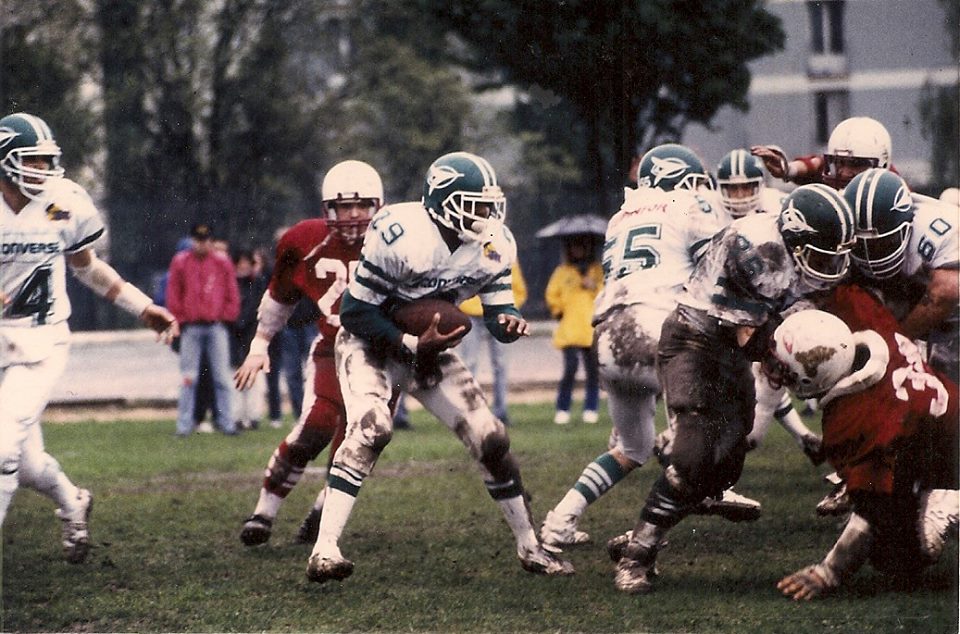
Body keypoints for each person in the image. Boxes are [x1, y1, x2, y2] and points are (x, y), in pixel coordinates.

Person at [306, 151, 573, 583]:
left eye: (489, 205)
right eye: (475, 205)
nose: (486, 215)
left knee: (491, 437)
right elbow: (354, 312)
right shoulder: (400, 233)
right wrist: (408, 342)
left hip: (430, 347)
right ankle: (325, 549)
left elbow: (497, 311)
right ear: (442, 202)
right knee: (372, 429)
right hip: (371, 341)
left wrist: (508, 322)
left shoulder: (494, 245)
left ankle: (530, 545)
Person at [606, 183, 856, 594]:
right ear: (794, 241)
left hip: (734, 349)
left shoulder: (803, 256)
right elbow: (747, 334)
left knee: (726, 464)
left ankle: (643, 534)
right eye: (820, 254)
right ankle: (638, 555)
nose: (830, 263)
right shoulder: (756, 248)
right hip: (695, 341)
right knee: (694, 454)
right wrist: (791, 365)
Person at [0, 111, 178, 562]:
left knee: (0, 448)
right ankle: (72, 500)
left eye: (46, 160)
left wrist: (141, 305)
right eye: (32, 160)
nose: (43, 170)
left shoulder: (65, 201)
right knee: (25, 464)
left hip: (40, 342)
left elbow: (87, 267)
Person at [540, 143, 725, 547]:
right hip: (652, 332)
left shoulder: (622, 216)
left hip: (606, 337)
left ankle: (559, 522)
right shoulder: (689, 207)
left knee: (631, 447)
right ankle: (703, 491)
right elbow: (715, 272)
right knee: (718, 399)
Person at [764, 297, 958, 600]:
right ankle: (927, 489)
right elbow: (845, 292)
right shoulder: (863, 314)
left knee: (897, 557)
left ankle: (948, 499)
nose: (775, 372)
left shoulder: (855, 421)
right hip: (940, 430)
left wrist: (828, 572)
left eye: (785, 369)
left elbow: (871, 511)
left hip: (950, 457)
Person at [236, 160, 383, 547]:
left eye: (363, 205)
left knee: (361, 440)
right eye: (345, 206)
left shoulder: (395, 242)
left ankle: (323, 512)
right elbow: (280, 297)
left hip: (384, 356)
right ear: (328, 209)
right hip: (335, 348)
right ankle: (264, 512)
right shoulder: (305, 240)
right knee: (316, 424)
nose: (354, 215)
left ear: (378, 205)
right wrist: (259, 345)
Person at [166, 222, 240, 436]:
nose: (202, 244)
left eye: (205, 240)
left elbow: (231, 291)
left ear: (211, 241)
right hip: (191, 326)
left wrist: (226, 316)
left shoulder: (222, 262)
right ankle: (184, 425)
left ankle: (227, 422)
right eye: (198, 240)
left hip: (216, 325)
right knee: (189, 378)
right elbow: (174, 293)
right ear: (192, 241)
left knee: (222, 377)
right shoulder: (181, 262)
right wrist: (180, 318)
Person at [458, 262, 528, 425]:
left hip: (499, 314)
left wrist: (508, 309)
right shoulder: (468, 254)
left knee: (501, 363)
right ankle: (470, 411)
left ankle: (500, 411)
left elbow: (518, 289)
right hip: (470, 313)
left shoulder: (504, 254)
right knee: (469, 363)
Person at [544, 233, 604, 424]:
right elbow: (552, 295)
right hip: (570, 329)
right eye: (574, 247)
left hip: (590, 329)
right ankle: (563, 408)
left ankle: (591, 408)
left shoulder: (596, 271)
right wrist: (558, 310)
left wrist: (593, 286)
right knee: (570, 369)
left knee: (593, 371)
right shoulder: (562, 272)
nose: (577, 251)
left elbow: (605, 293)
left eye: (581, 247)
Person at [751, 116, 894, 190]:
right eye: (840, 162)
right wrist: (788, 168)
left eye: (856, 164)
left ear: (882, 165)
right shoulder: (832, 177)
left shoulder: (895, 191)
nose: (844, 172)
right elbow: (816, 165)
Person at [231, 248, 269, 431]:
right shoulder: (231, 283)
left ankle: (253, 415)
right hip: (234, 333)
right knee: (235, 374)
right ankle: (237, 415)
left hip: (252, 333)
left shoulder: (258, 283)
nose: (243, 266)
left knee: (255, 376)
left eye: (246, 262)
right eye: (240, 262)